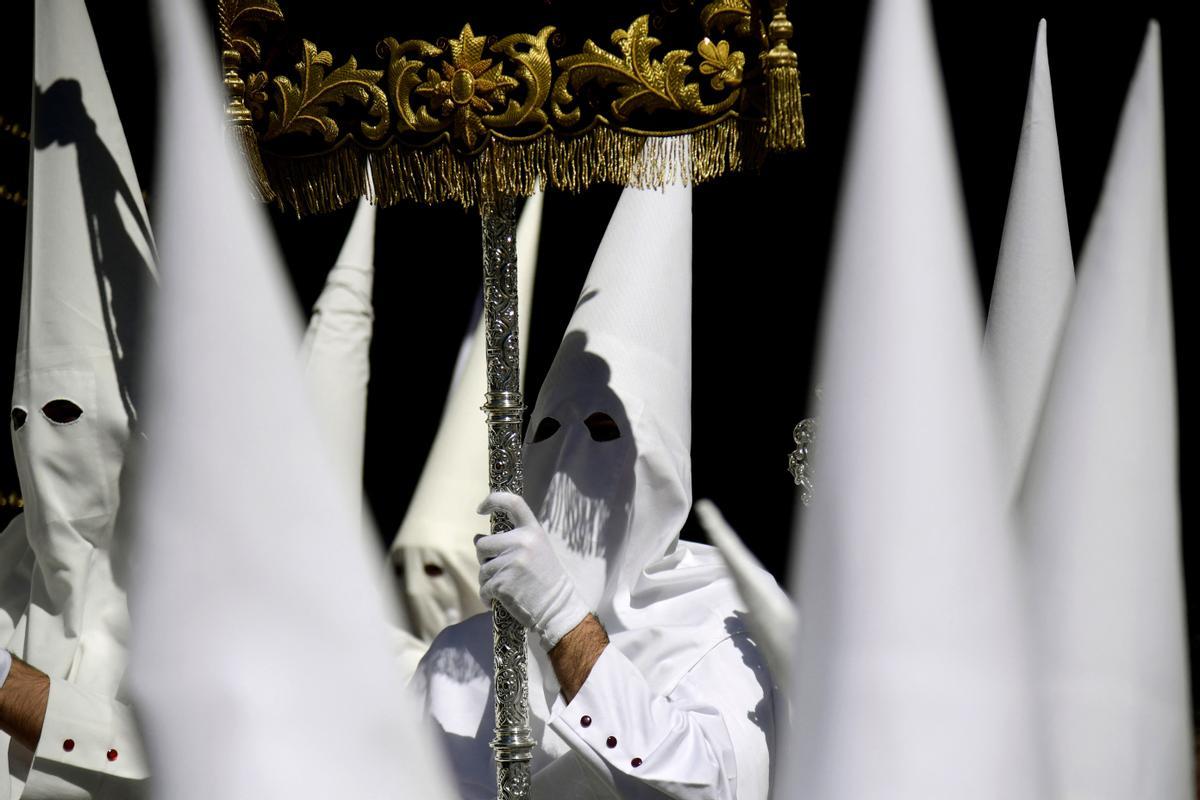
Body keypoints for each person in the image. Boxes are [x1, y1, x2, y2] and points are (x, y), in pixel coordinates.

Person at [415, 181, 776, 800]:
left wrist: (561, 617)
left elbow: (708, 788)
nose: (572, 459)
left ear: (658, 473)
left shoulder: (727, 621)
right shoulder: (459, 655)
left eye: (605, 432)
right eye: (549, 430)